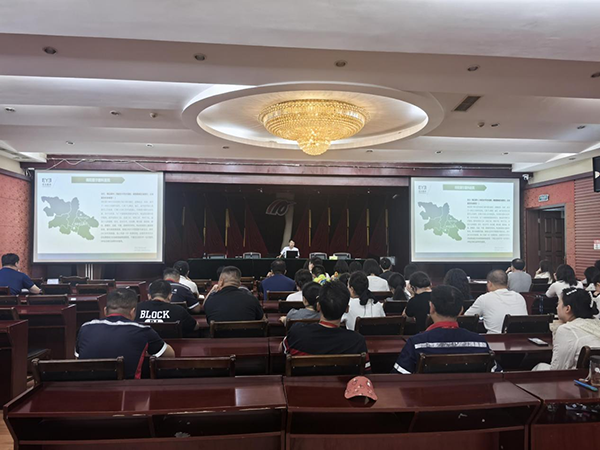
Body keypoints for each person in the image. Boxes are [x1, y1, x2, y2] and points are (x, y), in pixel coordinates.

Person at [393, 285, 496, 374]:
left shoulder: (416, 344)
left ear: (431, 308)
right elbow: (497, 374)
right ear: (461, 310)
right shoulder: (480, 343)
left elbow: (398, 378)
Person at [76, 288, 175, 379]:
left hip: (86, 389)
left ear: (105, 310)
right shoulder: (143, 330)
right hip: (127, 390)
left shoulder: (85, 327)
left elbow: (78, 358)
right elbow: (169, 355)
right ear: (133, 312)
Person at [282, 280, 370, 372]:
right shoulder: (357, 342)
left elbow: (282, 351)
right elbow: (365, 374)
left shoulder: (297, 332)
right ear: (347, 309)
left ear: (318, 306)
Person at [534, 288, 600, 371]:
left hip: (577, 378)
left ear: (567, 309)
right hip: (594, 376)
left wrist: (557, 328)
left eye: (558, 303)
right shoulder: (596, 323)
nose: (557, 307)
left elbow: (557, 369)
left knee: (539, 366)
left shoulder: (567, 329)